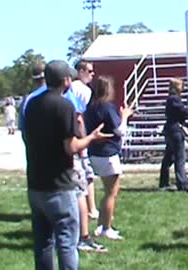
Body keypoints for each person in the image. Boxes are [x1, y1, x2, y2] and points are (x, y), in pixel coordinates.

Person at [24, 60, 110, 270]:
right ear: (66, 80)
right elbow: (71, 147)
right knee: (67, 242)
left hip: (35, 184)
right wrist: (91, 138)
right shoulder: (64, 106)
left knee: (43, 243)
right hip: (59, 185)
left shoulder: (31, 103)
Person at [85, 76, 133, 240]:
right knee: (111, 192)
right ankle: (106, 228)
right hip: (108, 153)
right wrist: (125, 115)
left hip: (94, 152)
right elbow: (120, 131)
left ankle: (101, 224)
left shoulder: (90, 107)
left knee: (107, 191)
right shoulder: (107, 107)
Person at [71, 60, 100, 220]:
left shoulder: (71, 88)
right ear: (80, 71)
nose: (92, 74)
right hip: (79, 135)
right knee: (87, 174)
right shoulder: (83, 90)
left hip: (70, 135)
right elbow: (79, 117)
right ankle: (91, 208)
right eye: (89, 71)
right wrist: (85, 139)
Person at [159, 78, 188, 192]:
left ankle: (164, 183)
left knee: (169, 158)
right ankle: (182, 183)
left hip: (170, 130)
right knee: (179, 157)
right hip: (175, 131)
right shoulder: (174, 99)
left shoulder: (171, 99)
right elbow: (184, 112)